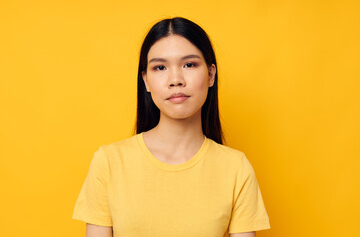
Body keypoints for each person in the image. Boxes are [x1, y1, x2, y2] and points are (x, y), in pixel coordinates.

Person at [72, 17, 270, 237]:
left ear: (211, 74)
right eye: (160, 67)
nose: (175, 79)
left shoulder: (236, 168)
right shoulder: (108, 162)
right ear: (146, 81)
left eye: (189, 64)